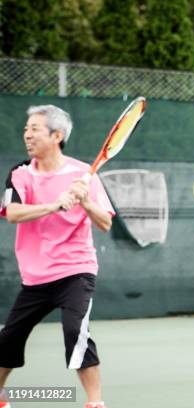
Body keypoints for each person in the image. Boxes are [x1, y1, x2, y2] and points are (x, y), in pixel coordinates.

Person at [0, 105, 115, 408]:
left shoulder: (82, 175)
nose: (27, 134)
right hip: (36, 276)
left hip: (76, 270)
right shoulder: (20, 174)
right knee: (9, 338)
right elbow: (12, 213)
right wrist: (55, 204)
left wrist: (87, 201)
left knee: (75, 330)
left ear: (57, 135)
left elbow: (105, 223)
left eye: (35, 129)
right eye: (26, 129)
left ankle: (95, 402)